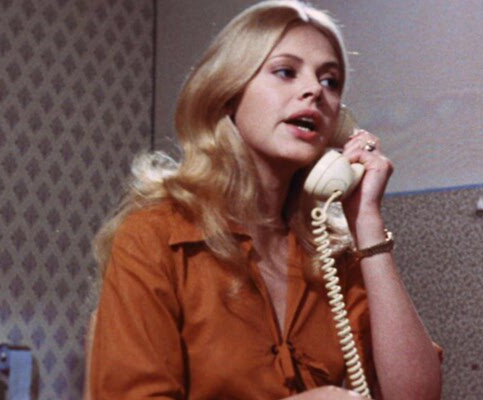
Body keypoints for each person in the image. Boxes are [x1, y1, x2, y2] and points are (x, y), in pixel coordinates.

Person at [87, 1, 443, 399]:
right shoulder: (155, 236)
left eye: (330, 81)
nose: (315, 91)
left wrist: (367, 221)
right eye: (286, 72)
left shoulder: (330, 253)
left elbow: (416, 395)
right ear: (229, 93)